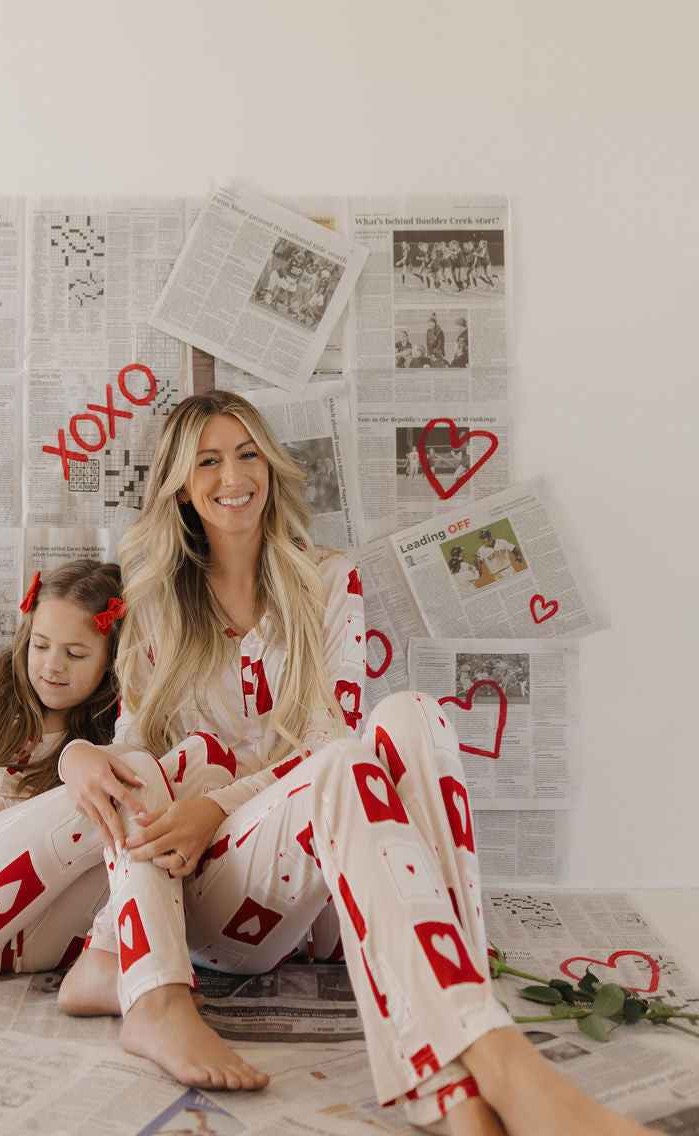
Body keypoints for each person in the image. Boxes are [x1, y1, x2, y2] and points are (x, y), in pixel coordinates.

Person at [58, 393, 651, 1136]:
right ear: (182, 484)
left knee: (410, 716)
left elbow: (327, 740)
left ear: (269, 466)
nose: (233, 475)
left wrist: (220, 797)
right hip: (216, 891)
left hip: (324, 883)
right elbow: (135, 751)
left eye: (246, 454)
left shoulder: (327, 578)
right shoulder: (152, 603)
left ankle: (459, 1074)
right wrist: (81, 754)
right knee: (294, 764)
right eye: (207, 460)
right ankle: (493, 1067)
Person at [0, 560, 238, 982]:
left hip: (41, 938)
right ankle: (153, 977)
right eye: (41, 645)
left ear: (110, 660)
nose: (52, 666)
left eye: (76, 653)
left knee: (200, 761)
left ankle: (112, 966)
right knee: (130, 777)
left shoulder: (109, 733)